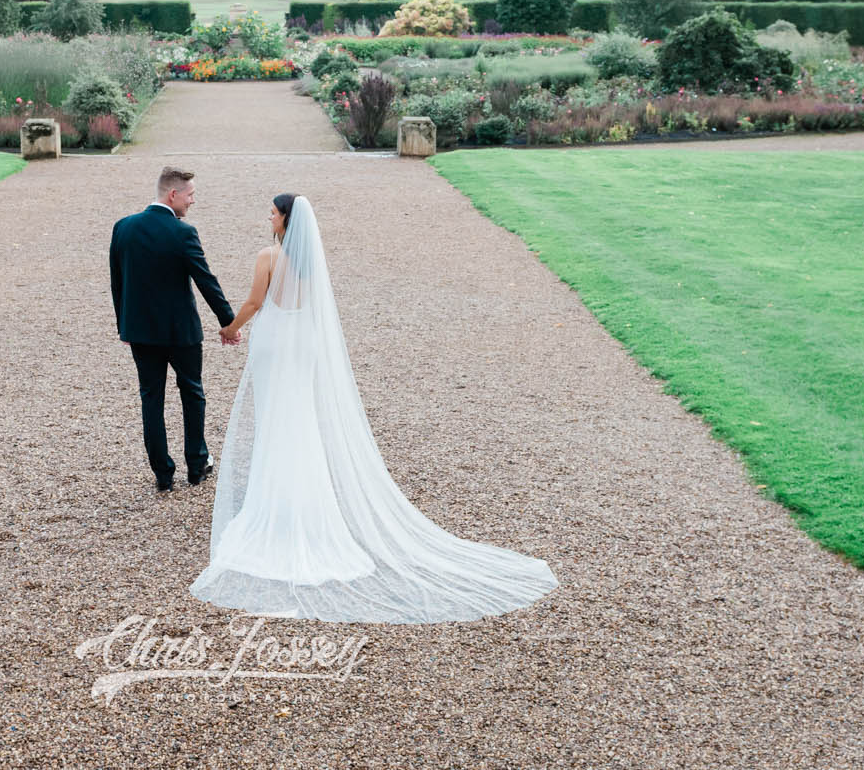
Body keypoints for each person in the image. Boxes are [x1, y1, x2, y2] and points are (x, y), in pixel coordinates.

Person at [191, 194, 558, 622]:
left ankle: (275, 507)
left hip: (275, 343)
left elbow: (256, 302)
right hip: (303, 344)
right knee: (299, 420)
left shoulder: (268, 256)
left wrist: (230, 328)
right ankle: (304, 506)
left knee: (276, 419)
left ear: (286, 219)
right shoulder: (310, 261)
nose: (268, 217)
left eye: (273, 212)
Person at [109, 166, 236, 492]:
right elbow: (206, 280)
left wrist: (125, 326)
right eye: (190, 195)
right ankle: (197, 465)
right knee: (192, 393)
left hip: (140, 331)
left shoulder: (123, 228)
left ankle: (163, 474)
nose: (193, 201)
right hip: (182, 332)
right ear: (173, 194)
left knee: (151, 399)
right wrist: (228, 322)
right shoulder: (183, 233)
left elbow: (117, 283)